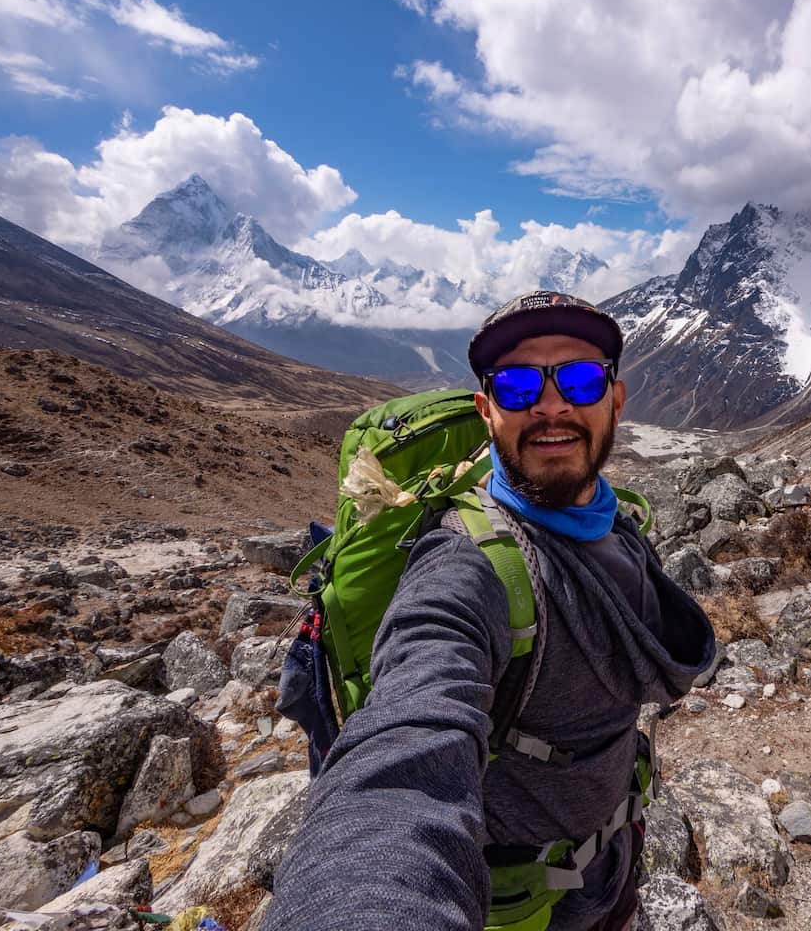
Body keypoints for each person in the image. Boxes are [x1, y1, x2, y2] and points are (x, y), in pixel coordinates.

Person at [266, 292, 717, 931]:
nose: (553, 403)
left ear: (616, 399)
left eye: (583, 379)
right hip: (533, 906)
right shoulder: (468, 568)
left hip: (614, 866)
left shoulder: (616, 522)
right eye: (517, 385)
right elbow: (405, 754)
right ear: (487, 411)